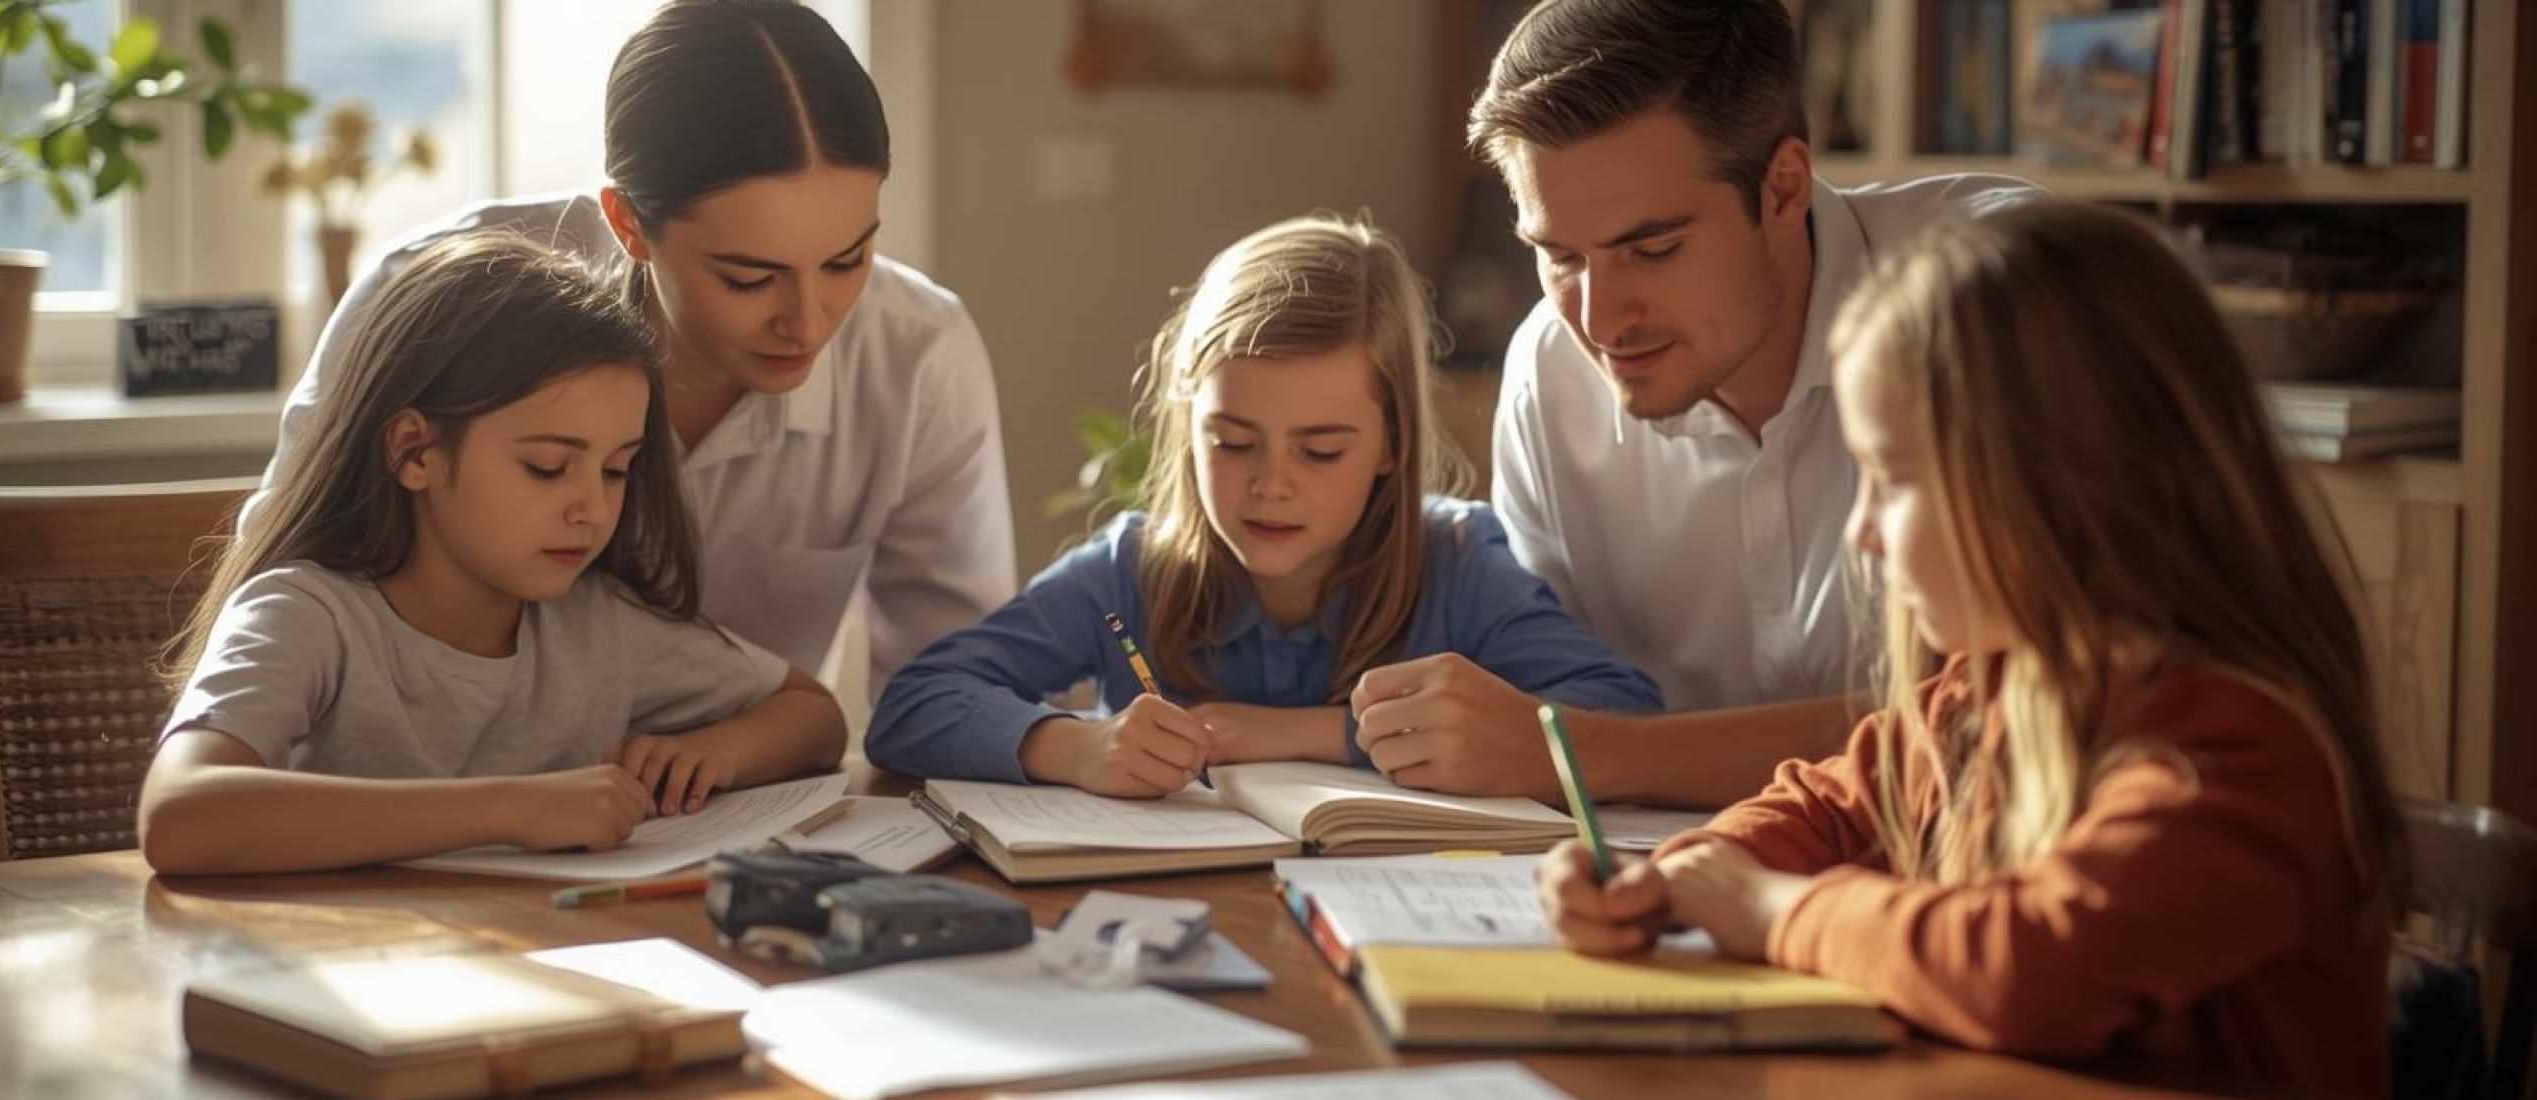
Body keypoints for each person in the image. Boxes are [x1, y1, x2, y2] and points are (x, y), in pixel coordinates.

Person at [1536, 203, 2403, 1097]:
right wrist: (1674, 880)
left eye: (1896, 481)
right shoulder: (1984, 695)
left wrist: (1769, 910)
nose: (1862, 532)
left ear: (2067, 481)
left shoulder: (2238, 755)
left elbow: (2025, 968)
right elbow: (1825, 808)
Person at [1352, 0, 2038, 806]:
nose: (1601, 321)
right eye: (1561, 257)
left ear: (1783, 187)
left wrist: (1591, 755)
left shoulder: (2004, 297)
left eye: (1654, 249)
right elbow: (1550, 694)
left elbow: (2013, 719)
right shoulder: (1550, 367)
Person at [251, 0, 1012, 692]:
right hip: (434, 803)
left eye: (847, 262)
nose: (809, 324)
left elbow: (954, 682)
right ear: (629, 224)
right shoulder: (428, 301)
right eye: (749, 277)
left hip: (738, 806)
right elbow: (283, 589)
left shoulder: (918, 355)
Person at [866, 214, 1660, 796]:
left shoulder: (1455, 565)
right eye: (1233, 441)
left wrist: (1313, 732)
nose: (1271, 484)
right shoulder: (1131, 569)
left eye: (1320, 451)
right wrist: (1069, 747)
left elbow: (1625, 720)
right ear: (1188, 424)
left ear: (1392, 444)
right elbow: (912, 707)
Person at [141, 232, 847, 875]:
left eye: (614, 469)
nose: (592, 509)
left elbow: (812, 716)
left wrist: (717, 752)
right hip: (329, 975)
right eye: (546, 467)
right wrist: (513, 808)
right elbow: (179, 817)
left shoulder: (598, 625)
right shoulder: (307, 615)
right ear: (415, 451)